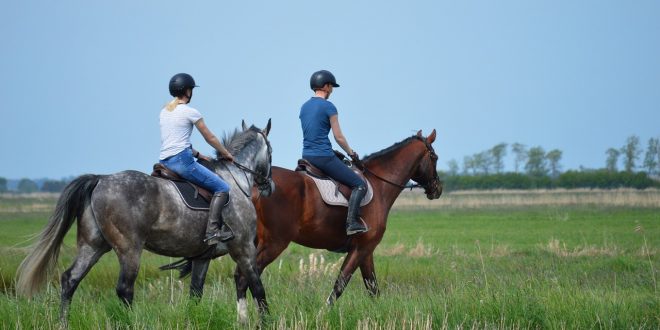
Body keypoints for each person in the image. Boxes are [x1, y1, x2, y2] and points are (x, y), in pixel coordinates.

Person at [159, 73, 235, 245]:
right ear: (187, 91)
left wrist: (199, 155)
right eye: (191, 89)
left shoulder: (164, 111)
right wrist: (225, 153)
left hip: (165, 162)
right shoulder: (190, 112)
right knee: (222, 187)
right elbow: (210, 137)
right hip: (182, 162)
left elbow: (175, 141)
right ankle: (213, 232)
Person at [299, 70, 368, 235]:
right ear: (326, 86)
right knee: (359, 184)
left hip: (306, 156)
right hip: (323, 156)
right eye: (331, 87)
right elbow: (339, 137)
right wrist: (352, 154)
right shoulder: (329, 106)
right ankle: (352, 223)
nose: (332, 91)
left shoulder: (304, 107)